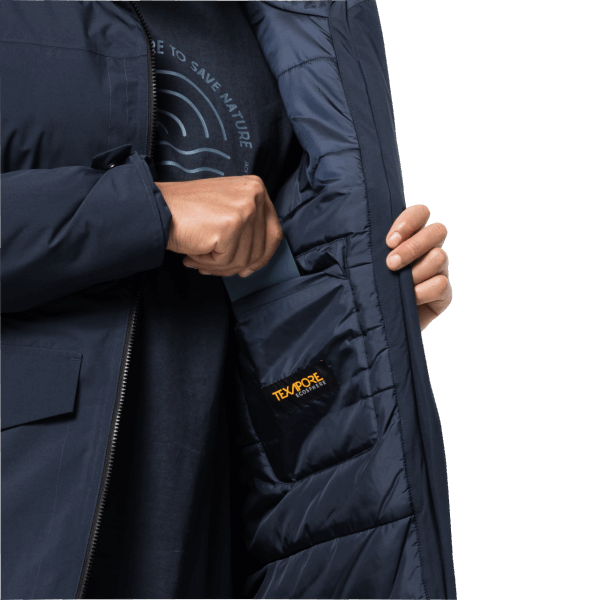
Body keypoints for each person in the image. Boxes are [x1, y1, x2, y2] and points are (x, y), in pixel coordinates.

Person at [0, 1, 454, 599]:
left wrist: (361, 313)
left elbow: (271, 282)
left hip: (216, 524)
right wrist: (148, 211)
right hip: (30, 516)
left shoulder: (285, 24)